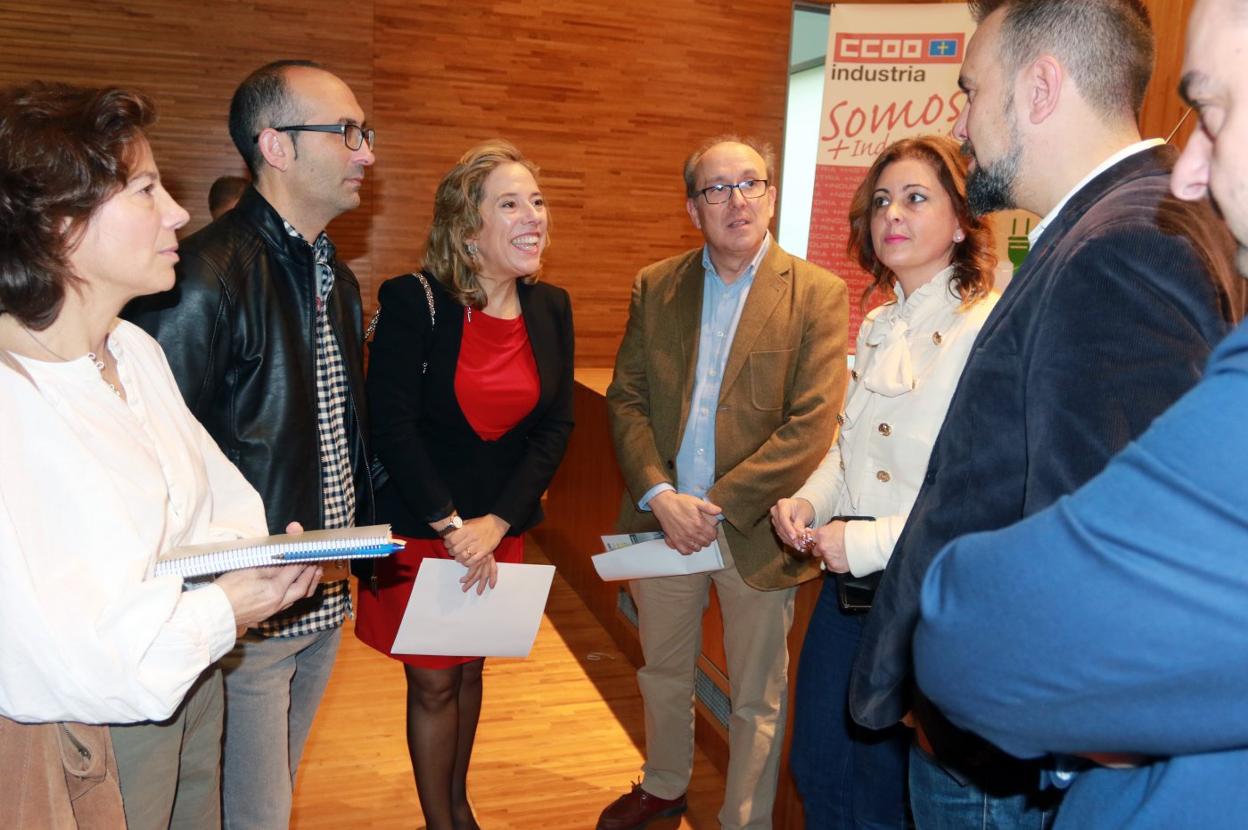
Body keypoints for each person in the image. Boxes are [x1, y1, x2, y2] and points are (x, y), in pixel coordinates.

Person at [847, 0, 1242, 826]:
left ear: (1039, 86)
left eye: (969, 90)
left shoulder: (1121, 246)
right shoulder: (1100, 228)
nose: (959, 122)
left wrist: (1004, 721)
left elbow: (1109, 577)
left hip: (1007, 761)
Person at [0, 82, 319, 829]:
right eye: (146, 189)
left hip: (192, 682)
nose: (178, 212)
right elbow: (75, 658)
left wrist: (256, 560)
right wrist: (226, 605)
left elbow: (212, 500)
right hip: (91, 735)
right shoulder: (14, 400)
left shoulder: (134, 350)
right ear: (57, 223)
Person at [124, 59, 376, 829]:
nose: (367, 151)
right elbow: (151, 469)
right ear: (277, 146)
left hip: (321, 591)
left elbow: (333, 433)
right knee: (249, 813)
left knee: (273, 799)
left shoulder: (334, 274)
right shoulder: (202, 278)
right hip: (246, 616)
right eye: (347, 132)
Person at [601, 136, 848, 830]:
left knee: (756, 699)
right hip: (664, 522)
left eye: (751, 183)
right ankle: (664, 783)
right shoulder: (657, 285)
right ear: (692, 207)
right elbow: (627, 399)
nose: (736, 200)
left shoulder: (818, 295)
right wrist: (660, 494)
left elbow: (810, 425)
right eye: (716, 188)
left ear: (771, 195)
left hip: (755, 530)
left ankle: (745, 822)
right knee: (663, 671)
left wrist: (714, 506)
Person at [770, 135, 998, 829]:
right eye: (881, 201)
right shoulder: (877, 325)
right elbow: (848, 449)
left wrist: (863, 544)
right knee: (819, 766)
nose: (892, 214)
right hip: (849, 593)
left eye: (915, 197)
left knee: (885, 796)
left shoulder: (984, 329)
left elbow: (977, 502)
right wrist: (809, 499)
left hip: (923, 598)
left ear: (961, 221)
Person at [355, 139, 573, 830]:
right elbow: (390, 425)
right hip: (423, 530)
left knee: (472, 667)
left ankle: (459, 806)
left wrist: (499, 524)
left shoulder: (552, 308)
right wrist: (453, 525)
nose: (532, 215)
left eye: (536, 200)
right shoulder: (413, 300)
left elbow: (556, 428)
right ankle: (440, 823)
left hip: (497, 530)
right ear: (467, 227)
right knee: (433, 681)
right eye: (510, 203)